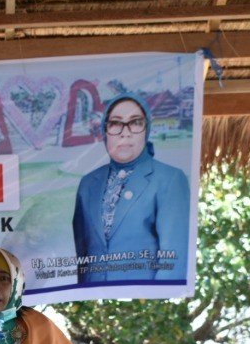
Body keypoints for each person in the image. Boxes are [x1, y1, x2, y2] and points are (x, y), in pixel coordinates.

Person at [72, 92, 190, 283]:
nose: (125, 132)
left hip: (142, 303)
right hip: (94, 303)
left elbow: (174, 259)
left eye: (135, 122)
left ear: (147, 129)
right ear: (105, 131)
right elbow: (82, 254)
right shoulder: (88, 183)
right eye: (116, 123)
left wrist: (152, 304)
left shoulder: (169, 179)